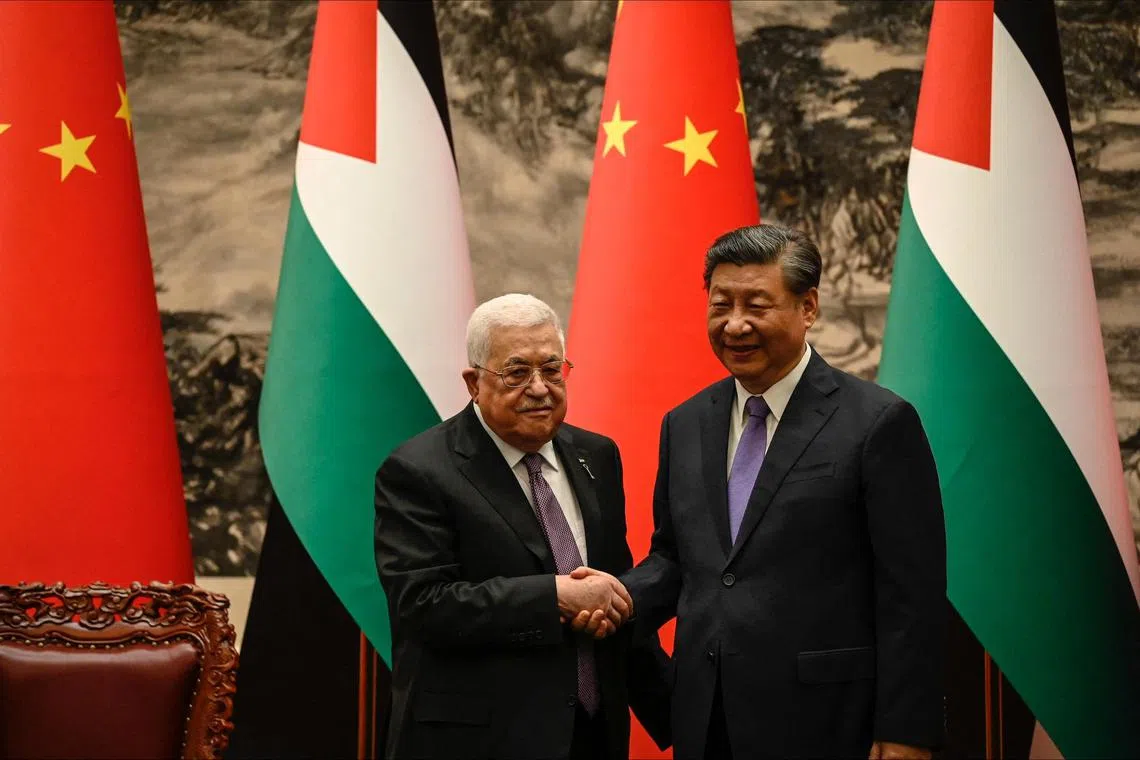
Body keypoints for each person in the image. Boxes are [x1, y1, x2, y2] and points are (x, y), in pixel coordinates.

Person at [611, 224, 947, 759]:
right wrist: (614, 598)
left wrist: (907, 728)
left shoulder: (878, 423)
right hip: (708, 720)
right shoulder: (686, 422)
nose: (735, 324)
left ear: (807, 307)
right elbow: (679, 560)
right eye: (721, 305)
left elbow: (913, 596)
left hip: (828, 724)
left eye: (757, 305)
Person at [374, 293, 671, 760]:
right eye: (516, 373)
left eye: (552, 369)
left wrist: (679, 713)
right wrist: (554, 596)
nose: (539, 388)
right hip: (478, 740)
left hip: (590, 735)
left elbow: (609, 592)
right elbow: (423, 605)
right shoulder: (418, 470)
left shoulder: (597, 455)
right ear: (474, 383)